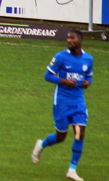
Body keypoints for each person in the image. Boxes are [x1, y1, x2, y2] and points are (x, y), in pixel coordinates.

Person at [32, 30, 94, 181]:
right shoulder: (60, 57)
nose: (69, 40)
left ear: (80, 41)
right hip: (61, 102)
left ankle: (72, 170)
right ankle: (41, 144)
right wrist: (63, 81)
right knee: (61, 137)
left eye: (72, 38)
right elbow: (47, 76)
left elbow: (89, 77)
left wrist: (87, 83)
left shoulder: (88, 59)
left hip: (78, 102)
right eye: (68, 38)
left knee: (80, 133)